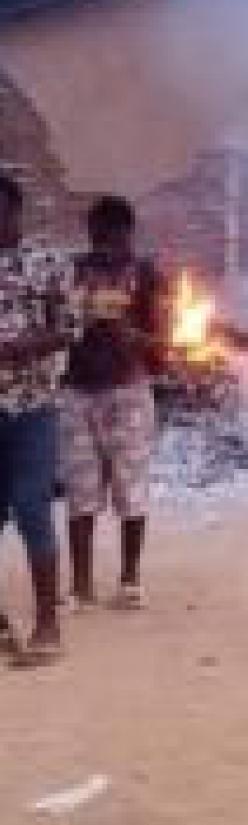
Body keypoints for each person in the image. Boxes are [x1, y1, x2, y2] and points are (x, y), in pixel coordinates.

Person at [61, 196, 164, 611]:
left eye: (114, 235)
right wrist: (79, 319)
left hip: (127, 389)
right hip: (77, 389)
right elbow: (56, 324)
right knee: (80, 491)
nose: (106, 244)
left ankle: (129, 581)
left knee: (131, 487)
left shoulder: (145, 275)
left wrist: (135, 339)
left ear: (128, 235)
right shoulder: (70, 272)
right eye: (99, 234)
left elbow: (163, 339)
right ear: (90, 234)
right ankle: (81, 587)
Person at [0, 174, 80, 663]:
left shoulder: (46, 264)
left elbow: (69, 328)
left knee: (32, 508)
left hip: (32, 407)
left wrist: (20, 348)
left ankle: (47, 623)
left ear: (14, 213)